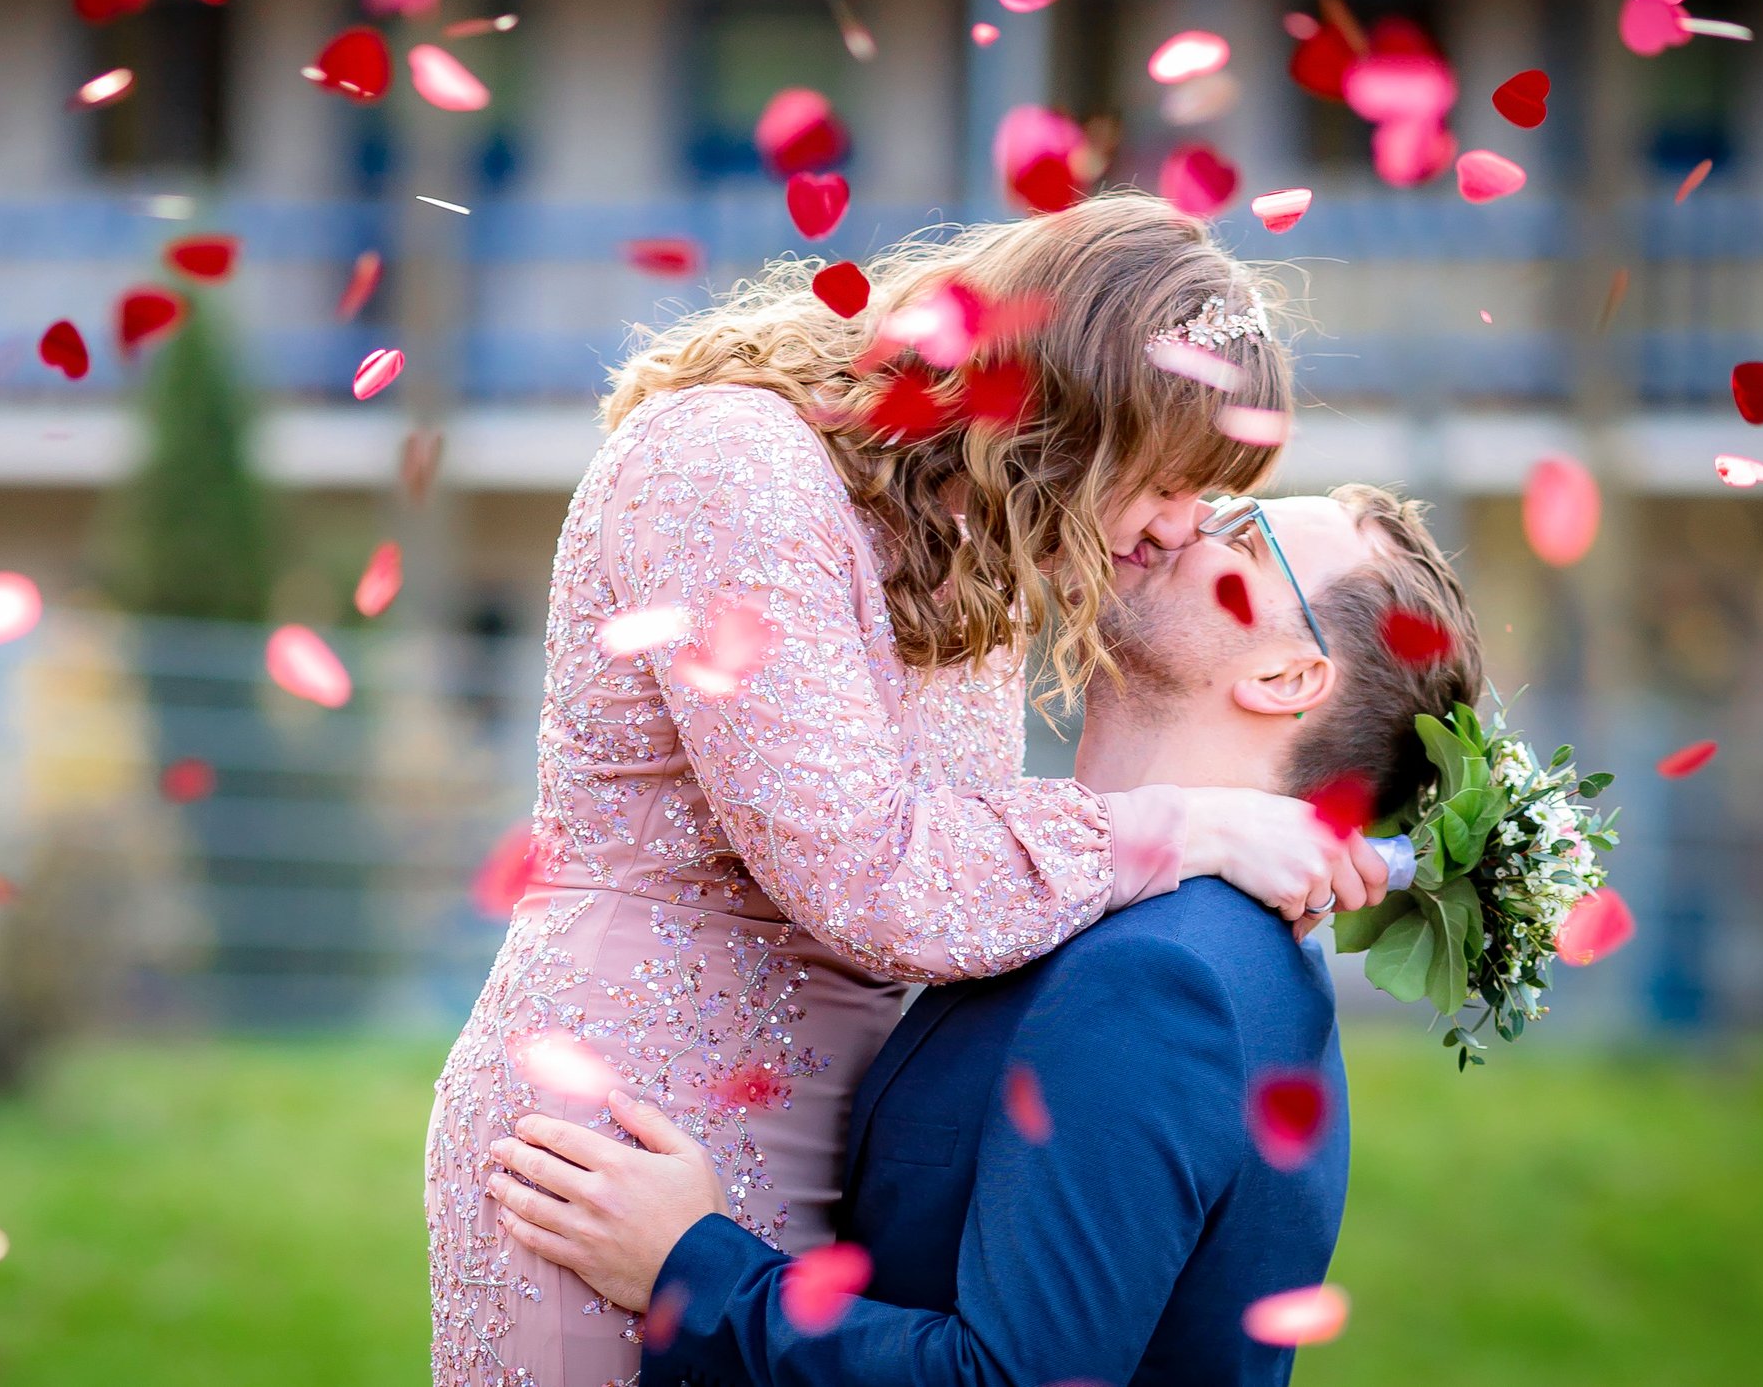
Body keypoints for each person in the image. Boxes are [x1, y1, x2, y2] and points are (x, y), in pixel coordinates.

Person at [427, 193, 1391, 1387]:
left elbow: (967, 859)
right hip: (630, 1125)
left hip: (843, 1145)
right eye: (1176, 479)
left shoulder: (972, 541)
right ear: (1077, 412)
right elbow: (870, 868)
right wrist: (1187, 828)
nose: (1178, 530)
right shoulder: (734, 463)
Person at [483, 486, 1484, 1387]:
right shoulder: (1101, 908)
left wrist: (690, 1266)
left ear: (1287, 676)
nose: (1185, 520)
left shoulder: (1160, 974)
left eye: (1244, 535)